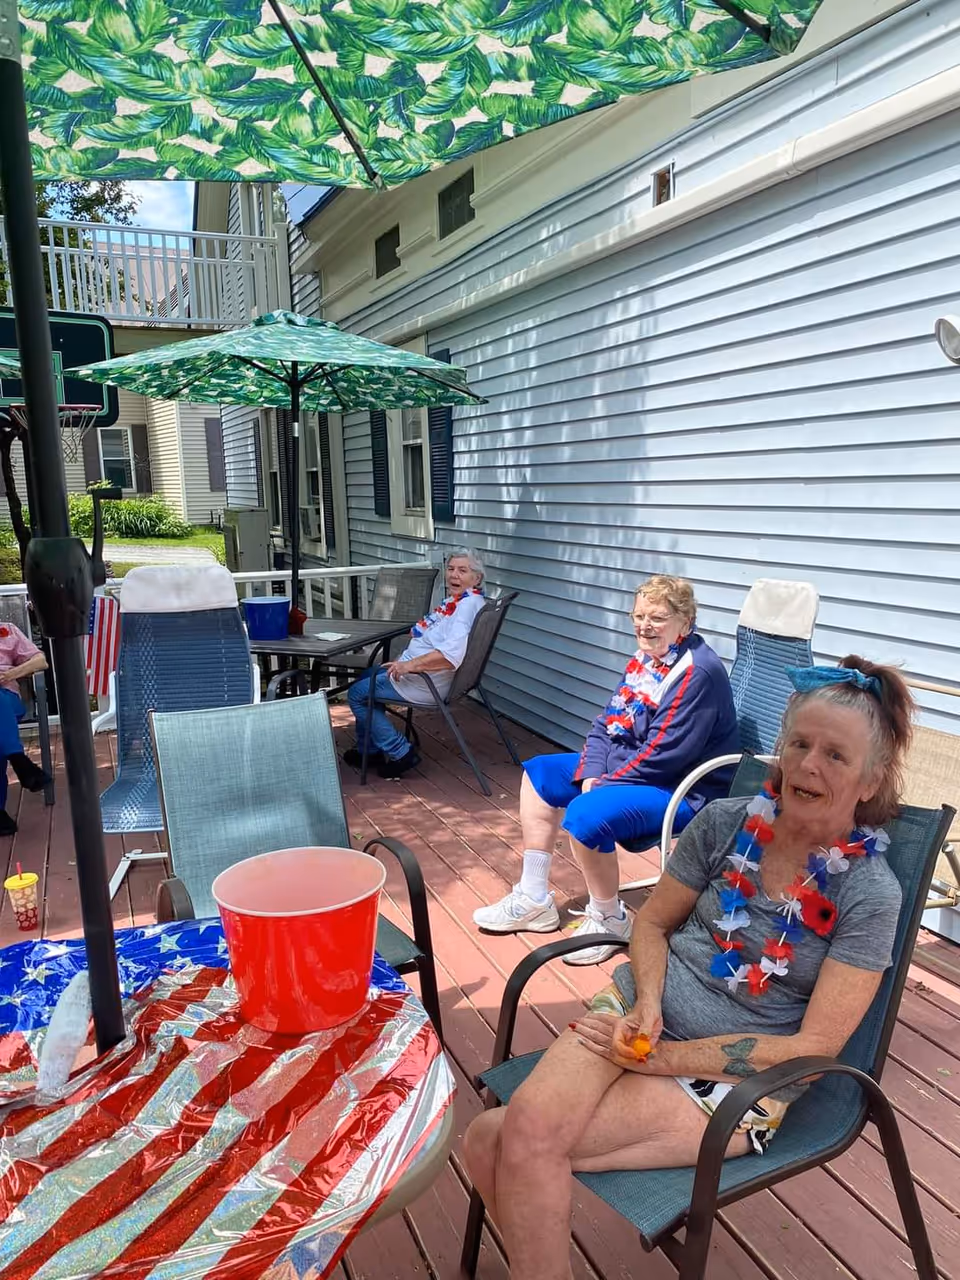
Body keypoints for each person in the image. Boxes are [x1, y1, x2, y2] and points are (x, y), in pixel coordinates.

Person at [462, 657, 912, 1280]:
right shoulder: (727, 824)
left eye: (835, 755)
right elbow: (649, 923)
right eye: (799, 744)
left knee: (498, 1139)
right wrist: (646, 1004)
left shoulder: (870, 894)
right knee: (493, 1137)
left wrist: (661, 1059)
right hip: (636, 1018)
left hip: (737, 1081)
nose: (808, 765)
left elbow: (815, 1046)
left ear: (871, 780)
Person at [474, 575, 739, 963]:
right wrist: (591, 770)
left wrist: (603, 783)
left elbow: (665, 755)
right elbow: (606, 721)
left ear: (685, 621)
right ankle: (534, 898)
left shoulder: (695, 672)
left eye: (658, 618)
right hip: (635, 769)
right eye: (639, 616)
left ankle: (610, 918)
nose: (645, 626)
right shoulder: (648, 658)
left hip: (684, 788)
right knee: (540, 775)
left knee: (586, 813)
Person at [343, 549, 487, 778]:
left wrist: (407, 666)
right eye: (451, 569)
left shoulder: (466, 608)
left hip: (425, 683)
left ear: (476, 578)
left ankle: (400, 751)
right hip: (426, 677)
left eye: (463, 570)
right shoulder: (460, 601)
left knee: (357, 694)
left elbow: (450, 657)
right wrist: (405, 660)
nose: (454, 576)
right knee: (367, 675)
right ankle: (368, 750)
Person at [0, 619, 51, 836]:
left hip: (5, 698)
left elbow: (41, 662)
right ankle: (19, 760)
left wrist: (8, 675)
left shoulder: (7, 630)